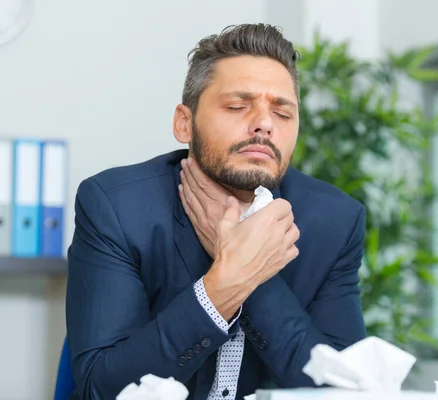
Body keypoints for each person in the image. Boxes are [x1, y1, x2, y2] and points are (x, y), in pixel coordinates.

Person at [65, 23, 367, 400]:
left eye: (283, 113)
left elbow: (345, 390)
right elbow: (101, 387)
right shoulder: (117, 206)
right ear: (184, 123)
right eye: (238, 106)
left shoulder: (335, 221)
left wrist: (250, 272)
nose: (264, 123)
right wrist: (222, 287)